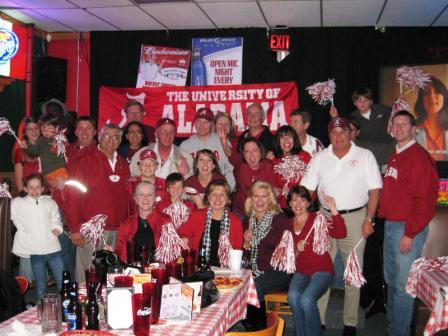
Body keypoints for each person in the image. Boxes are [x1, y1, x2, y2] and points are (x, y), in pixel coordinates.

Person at [301, 117, 382, 336]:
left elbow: (375, 190)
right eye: (334, 132)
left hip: (356, 218)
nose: (338, 136)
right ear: (329, 135)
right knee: (321, 270)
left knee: (353, 272)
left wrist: (369, 220)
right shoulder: (320, 157)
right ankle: (319, 319)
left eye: (343, 132)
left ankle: (350, 323)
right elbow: (307, 190)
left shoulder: (365, 156)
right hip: (325, 218)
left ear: (351, 133)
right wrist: (305, 218)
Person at [378, 111, 438, 336]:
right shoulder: (396, 154)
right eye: (396, 124)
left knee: (403, 288)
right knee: (392, 283)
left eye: (405, 124)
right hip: (392, 226)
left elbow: (425, 201)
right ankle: (394, 329)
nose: (399, 127)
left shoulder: (419, 157)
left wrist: (411, 233)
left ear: (414, 129)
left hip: (406, 228)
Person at [69, 124, 130, 283]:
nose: (111, 140)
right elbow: (73, 195)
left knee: (111, 274)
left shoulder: (123, 163)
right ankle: (83, 305)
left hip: (117, 229)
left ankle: (107, 305)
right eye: (107, 136)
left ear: (120, 140)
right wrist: (75, 228)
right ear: (100, 137)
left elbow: (128, 196)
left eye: (116, 137)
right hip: (91, 230)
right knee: (87, 273)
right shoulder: (85, 161)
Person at [287, 186, 346, 336]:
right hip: (302, 271)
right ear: (289, 204)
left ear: (308, 203)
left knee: (307, 300)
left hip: (322, 270)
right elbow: (288, 257)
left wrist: (334, 210)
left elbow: (340, 233)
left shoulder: (317, 218)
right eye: (294, 200)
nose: (298, 204)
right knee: (293, 297)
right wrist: (298, 250)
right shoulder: (288, 225)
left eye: (302, 200)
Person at [242, 181, 292, 331]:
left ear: (270, 199)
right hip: (255, 270)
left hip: (278, 271)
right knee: (238, 285)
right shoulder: (248, 221)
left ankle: (260, 330)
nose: (259, 201)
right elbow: (246, 255)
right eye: (256, 196)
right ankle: (250, 326)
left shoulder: (279, 219)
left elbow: (286, 253)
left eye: (264, 197)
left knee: (254, 287)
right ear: (250, 199)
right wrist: (246, 242)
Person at [11, 174, 64, 300]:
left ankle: (67, 303)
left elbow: (56, 218)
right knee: (40, 282)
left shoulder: (50, 202)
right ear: (25, 188)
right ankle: (41, 307)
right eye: (31, 187)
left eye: (37, 187)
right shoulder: (18, 203)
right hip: (34, 249)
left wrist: (57, 227)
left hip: (52, 247)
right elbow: (7, 212)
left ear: (42, 188)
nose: (34, 191)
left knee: (61, 278)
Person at [178, 179, 243, 267]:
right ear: (208, 197)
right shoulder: (198, 215)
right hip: (199, 269)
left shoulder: (236, 221)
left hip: (225, 272)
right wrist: (184, 238)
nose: (218, 198)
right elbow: (181, 233)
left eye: (222, 195)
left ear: (228, 199)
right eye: (214, 194)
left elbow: (237, 250)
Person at [330, 87, 394, 168]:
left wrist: (399, 102)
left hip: (388, 150)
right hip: (370, 153)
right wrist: (335, 117)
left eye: (365, 100)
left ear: (371, 102)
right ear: (355, 103)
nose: (362, 103)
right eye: (359, 100)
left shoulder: (381, 109)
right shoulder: (354, 117)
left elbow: (397, 112)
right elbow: (342, 129)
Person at [115, 181, 172, 264]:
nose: (145, 198)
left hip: (158, 271)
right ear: (135, 199)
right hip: (133, 271)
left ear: (155, 198)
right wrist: (111, 253)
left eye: (149, 195)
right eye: (141, 195)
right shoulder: (126, 223)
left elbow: (172, 251)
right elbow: (120, 253)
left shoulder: (165, 220)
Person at [180, 108, 235, 190]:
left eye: (205, 122)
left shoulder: (222, 141)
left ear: (212, 124)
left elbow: (230, 168)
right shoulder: (185, 145)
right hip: (193, 191)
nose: (201, 125)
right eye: (198, 121)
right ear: (194, 123)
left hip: (218, 191)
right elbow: (181, 172)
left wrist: (227, 190)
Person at [21, 115, 68, 189]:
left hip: (61, 170)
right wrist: (27, 148)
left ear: (56, 129)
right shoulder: (42, 141)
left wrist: (57, 138)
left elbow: (67, 148)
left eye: (48, 128)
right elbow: (34, 151)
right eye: (43, 129)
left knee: (63, 190)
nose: (46, 131)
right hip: (47, 174)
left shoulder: (60, 138)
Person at [234, 138, 276, 217]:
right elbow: (232, 156)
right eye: (247, 151)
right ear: (243, 154)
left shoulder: (269, 167)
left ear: (261, 151)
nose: (251, 154)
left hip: (266, 211)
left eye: (255, 150)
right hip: (243, 211)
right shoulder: (241, 168)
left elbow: (272, 193)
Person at [272, 125, 311, 208]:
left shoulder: (305, 157)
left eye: (289, 137)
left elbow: (311, 182)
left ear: (294, 140)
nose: (286, 141)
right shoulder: (274, 161)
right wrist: (277, 192)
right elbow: (273, 187)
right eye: (282, 137)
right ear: (278, 142)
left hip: (303, 206)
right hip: (283, 207)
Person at [414, 76, 448, 161]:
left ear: (444, 96)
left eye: (437, 91)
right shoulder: (411, 129)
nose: (432, 97)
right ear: (421, 101)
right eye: (426, 93)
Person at [126, 148, 166, 214]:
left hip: (159, 223)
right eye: (144, 164)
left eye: (151, 164)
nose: (148, 166)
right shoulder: (131, 185)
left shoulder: (165, 184)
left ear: (157, 166)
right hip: (136, 222)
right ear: (138, 166)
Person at [13, 117, 41, 193]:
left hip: (44, 192)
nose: (34, 131)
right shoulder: (20, 151)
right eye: (30, 129)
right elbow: (19, 178)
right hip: (28, 192)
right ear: (25, 132)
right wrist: (22, 193)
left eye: (36, 128)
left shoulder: (45, 147)